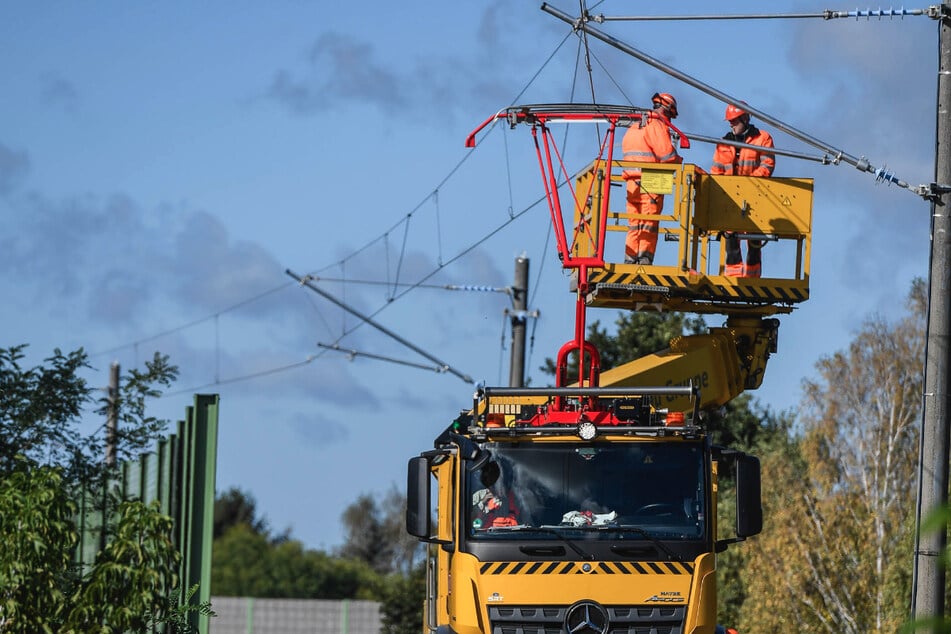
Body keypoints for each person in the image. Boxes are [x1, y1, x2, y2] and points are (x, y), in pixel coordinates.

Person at [710, 103, 775, 278]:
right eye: (729, 121)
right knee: (730, 239)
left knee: (754, 240)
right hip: (730, 199)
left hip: (755, 197)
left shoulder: (763, 138)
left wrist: (749, 184)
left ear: (745, 119)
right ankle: (733, 277)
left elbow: (767, 166)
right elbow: (716, 172)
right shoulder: (723, 143)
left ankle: (752, 278)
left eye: (734, 120)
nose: (731, 124)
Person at [621, 92, 683, 265]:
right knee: (650, 221)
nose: (670, 121)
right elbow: (667, 156)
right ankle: (645, 259)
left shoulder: (636, 124)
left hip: (631, 180)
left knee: (634, 221)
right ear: (667, 109)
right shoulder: (656, 124)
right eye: (670, 116)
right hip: (652, 179)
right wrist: (680, 161)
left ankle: (630, 258)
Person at [471, 460, 520, 529]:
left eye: (503, 481)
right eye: (496, 480)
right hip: (483, 538)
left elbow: (528, 524)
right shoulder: (478, 496)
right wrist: (482, 503)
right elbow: (470, 523)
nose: (500, 485)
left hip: (513, 538)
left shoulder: (516, 499)